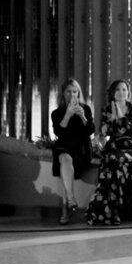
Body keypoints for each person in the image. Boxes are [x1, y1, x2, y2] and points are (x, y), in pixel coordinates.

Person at [85, 79, 132, 227]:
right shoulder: (107, 109)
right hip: (113, 146)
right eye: (118, 90)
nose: (121, 93)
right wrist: (108, 124)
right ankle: (105, 212)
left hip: (129, 148)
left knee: (116, 162)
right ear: (112, 93)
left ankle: (115, 211)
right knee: (110, 163)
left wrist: (120, 118)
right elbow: (105, 131)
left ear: (128, 92)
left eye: (124, 90)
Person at [51, 79, 95, 225]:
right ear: (63, 94)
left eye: (74, 92)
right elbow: (59, 131)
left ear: (79, 93)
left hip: (81, 148)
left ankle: (66, 208)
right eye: (68, 91)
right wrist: (68, 115)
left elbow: (90, 130)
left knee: (65, 166)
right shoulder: (57, 113)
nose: (72, 95)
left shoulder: (86, 109)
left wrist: (82, 116)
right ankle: (70, 199)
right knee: (64, 158)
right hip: (64, 146)